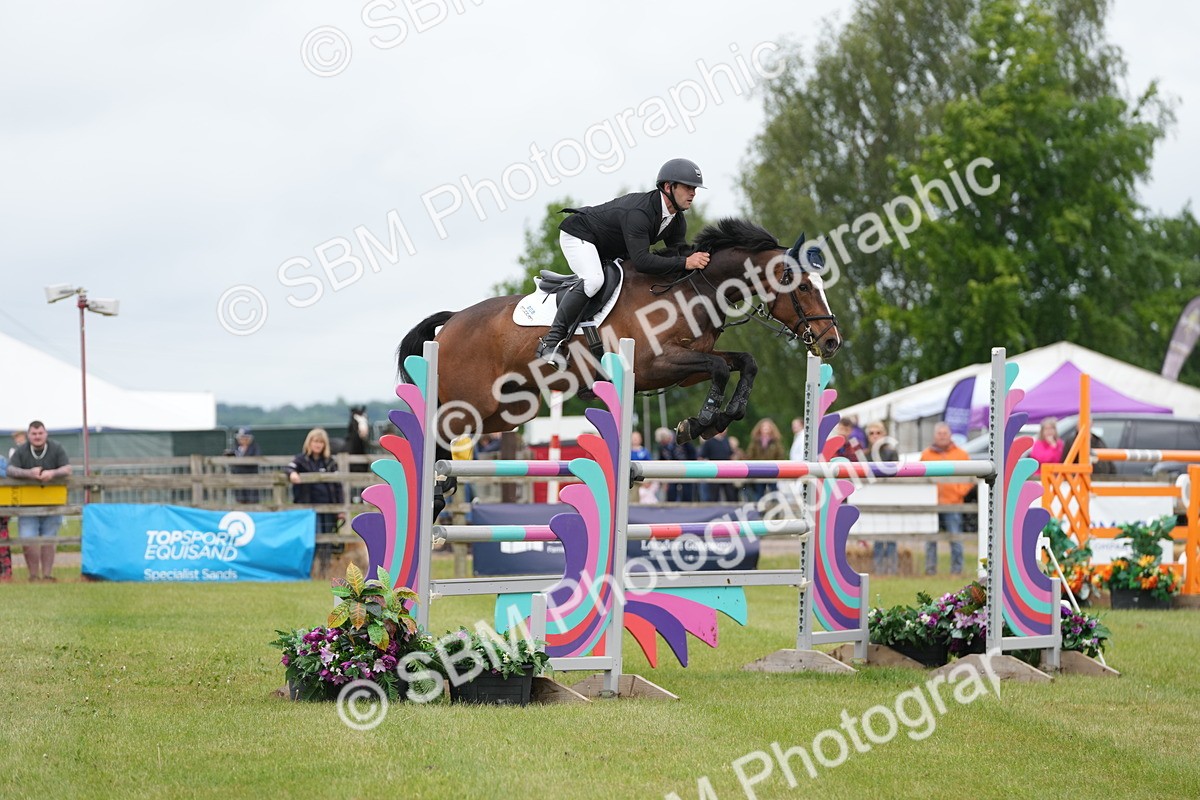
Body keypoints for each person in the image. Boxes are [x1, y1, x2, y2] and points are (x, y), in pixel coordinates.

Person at [536, 158, 711, 364]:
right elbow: (642, 261)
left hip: (610, 246)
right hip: (580, 234)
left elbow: (678, 254)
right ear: (668, 187)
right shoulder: (640, 213)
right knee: (594, 280)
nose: (693, 193)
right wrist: (685, 262)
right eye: (688, 187)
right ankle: (551, 341)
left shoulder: (676, 220)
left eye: (695, 188)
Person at [5, 421, 71, 582]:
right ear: (28, 435)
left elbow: (67, 468)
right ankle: (33, 576)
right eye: (34, 434)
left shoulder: (56, 447)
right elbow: (10, 469)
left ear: (46, 434)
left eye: (40, 433)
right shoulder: (22, 450)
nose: (37, 436)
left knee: (49, 539)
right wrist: (29, 473)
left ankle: (47, 575)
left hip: (52, 504)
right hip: (27, 505)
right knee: (28, 539)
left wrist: (52, 473)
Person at [920, 422, 971, 575]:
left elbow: (969, 477)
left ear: (950, 435)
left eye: (945, 433)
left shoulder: (961, 454)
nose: (942, 436)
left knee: (955, 538)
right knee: (930, 539)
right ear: (934, 436)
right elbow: (920, 477)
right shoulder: (926, 455)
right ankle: (930, 570)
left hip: (953, 503)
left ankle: (957, 570)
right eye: (939, 433)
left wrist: (959, 492)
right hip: (932, 503)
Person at [286, 428, 346, 537]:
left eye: (321, 442)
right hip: (309, 507)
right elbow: (289, 467)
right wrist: (292, 473)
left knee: (328, 536)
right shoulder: (301, 460)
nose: (318, 445)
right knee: (314, 535)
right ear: (309, 443)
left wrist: (340, 509)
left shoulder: (330, 462)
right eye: (315, 441)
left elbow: (338, 486)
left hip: (329, 507)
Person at [865, 421, 900, 574]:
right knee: (877, 536)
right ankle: (878, 570)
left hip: (890, 498)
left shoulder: (891, 453)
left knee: (892, 535)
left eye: (878, 433)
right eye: (871, 433)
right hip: (872, 499)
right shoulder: (865, 455)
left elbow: (896, 476)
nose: (875, 436)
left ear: (884, 434)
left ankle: (892, 569)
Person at [742, 418, 785, 501]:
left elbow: (780, 455)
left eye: (768, 427)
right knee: (759, 493)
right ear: (760, 428)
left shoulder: (776, 442)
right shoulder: (755, 441)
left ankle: (775, 507)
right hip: (759, 471)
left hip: (773, 471)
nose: (766, 429)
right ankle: (759, 508)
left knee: (774, 492)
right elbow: (750, 455)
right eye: (764, 426)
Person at [698, 430, 737, 502]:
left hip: (726, 471)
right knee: (713, 495)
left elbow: (731, 455)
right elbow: (701, 457)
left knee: (730, 494)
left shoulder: (726, 441)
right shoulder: (709, 442)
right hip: (714, 471)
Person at [229, 426, 261, 504]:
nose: (242, 439)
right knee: (240, 497)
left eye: (244, 437)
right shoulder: (236, 448)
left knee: (252, 498)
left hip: (251, 476)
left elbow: (257, 459)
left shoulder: (254, 447)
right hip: (238, 476)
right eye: (240, 437)